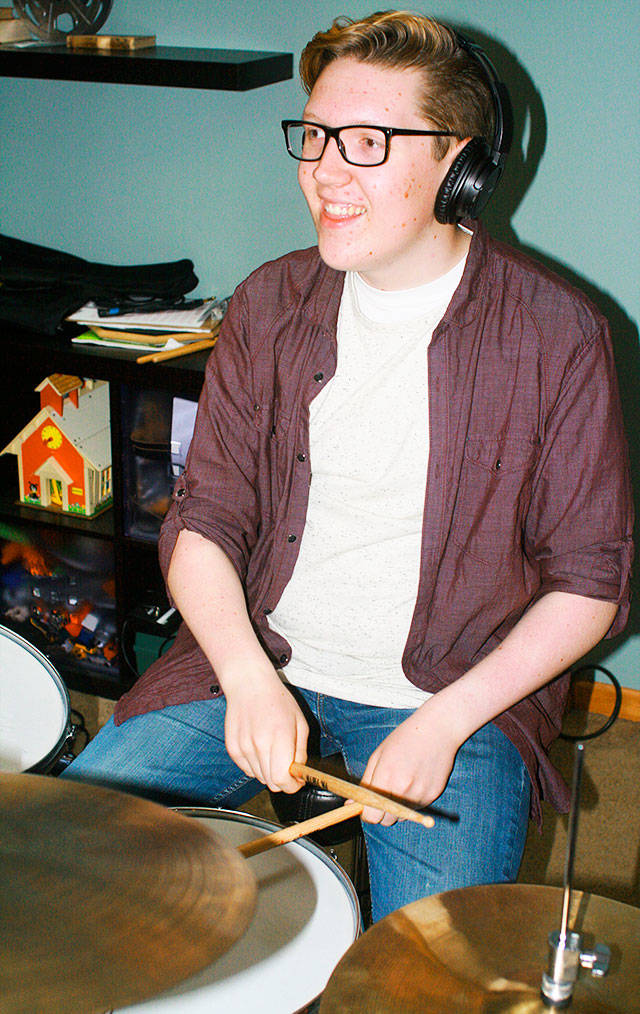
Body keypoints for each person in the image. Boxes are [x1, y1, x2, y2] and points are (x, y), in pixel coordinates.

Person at [64, 11, 633, 923]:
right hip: (254, 661)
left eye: (367, 142)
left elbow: (591, 582)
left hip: (451, 698)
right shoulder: (268, 302)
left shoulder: (556, 337)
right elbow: (203, 518)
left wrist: (445, 722)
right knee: (56, 857)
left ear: (459, 162)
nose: (323, 172)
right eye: (317, 135)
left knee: (428, 967)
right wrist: (249, 679)